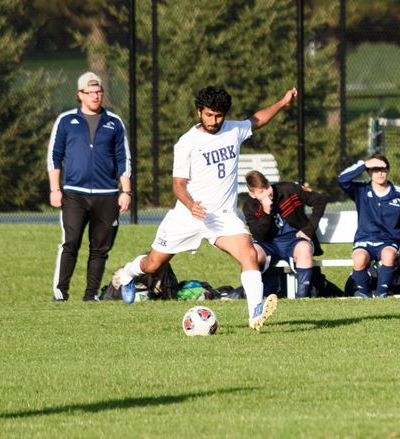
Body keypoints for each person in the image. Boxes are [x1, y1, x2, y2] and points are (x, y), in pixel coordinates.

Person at [114, 86, 297, 330]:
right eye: (209, 115)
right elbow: (178, 185)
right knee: (153, 264)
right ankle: (127, 273)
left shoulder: (233, 130)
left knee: (249, 254)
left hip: (222, 218)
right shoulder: (187, 143)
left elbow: (257, 119)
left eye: (219, 115)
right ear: (199, 111)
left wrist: (282, 103)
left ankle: (255, 312)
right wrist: (190, 205)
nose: (214, 121)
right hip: (187, 216)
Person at [47, 72, 132, 302]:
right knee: (71, 242)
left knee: (100, 248)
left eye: (99, 91)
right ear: (80, 95)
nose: (96, 96)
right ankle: (60, 292)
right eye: (91, 92)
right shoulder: (66, 121)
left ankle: (90, 295)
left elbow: (123, 158)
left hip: (107, 195)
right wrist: (55, 189)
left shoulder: (114, 122)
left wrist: (126, 191)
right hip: (74, 194)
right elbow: (54, 156)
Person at [243, 170, 327, 298]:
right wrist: (266, 212)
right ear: (252, 194)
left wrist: (309, 229)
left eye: (267, 187)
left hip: (294, 240)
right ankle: (253, 296)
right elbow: (259, 236)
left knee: (304, 249)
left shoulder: (288, 189)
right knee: (251, 253)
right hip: (268, 243)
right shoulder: (249, 206)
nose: (267, 193)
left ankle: (302, 298)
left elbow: (320, 200)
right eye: (261, 192)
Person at [338, 153, 400, 298]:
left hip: (389, 242)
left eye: (383, 169)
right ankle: (365, 295)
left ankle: (381, 295)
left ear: (388, 171)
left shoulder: (399, 194)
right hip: (364, 240)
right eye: (375, 169)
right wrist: (364, 164)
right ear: (369, 172)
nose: (380, 173)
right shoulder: (361, 189)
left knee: (389, 255)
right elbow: (342, 179)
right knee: (359, 258)